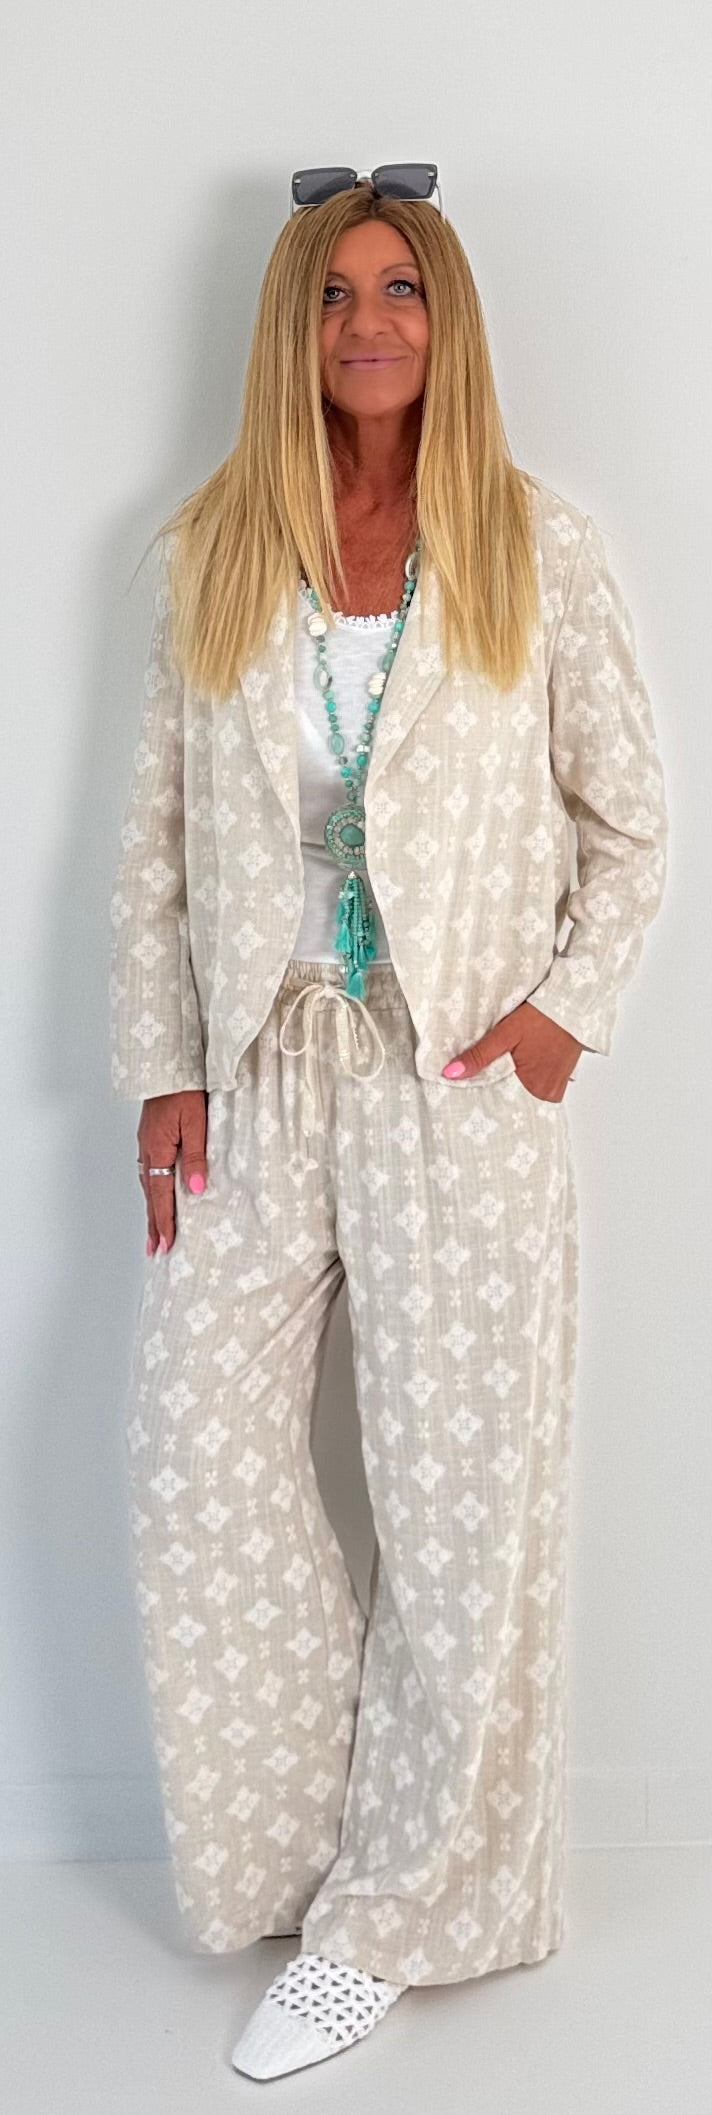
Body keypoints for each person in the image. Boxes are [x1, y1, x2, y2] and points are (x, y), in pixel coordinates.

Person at [109, 165, 669, 2080]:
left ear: (448, 319)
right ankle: (301, 1863)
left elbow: (632, 823)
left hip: (457, 1079)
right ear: (295, 323)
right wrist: (164, 1065)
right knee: (191, 1457)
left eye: (402, 287)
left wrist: (558, 1024)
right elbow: (154, 846)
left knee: (459, 1515)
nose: (369, 322)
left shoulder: (532, 545)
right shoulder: (215, 552)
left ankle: (409, 1908)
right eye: (337, 291)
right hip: (266, 1068)